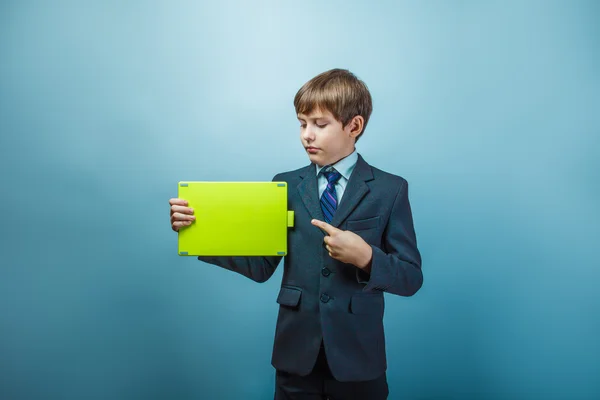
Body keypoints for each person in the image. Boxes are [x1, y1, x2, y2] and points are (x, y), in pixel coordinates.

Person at [169, 68, 422, 399]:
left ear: (354, 126)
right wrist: (198, 232)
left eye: (320, 124)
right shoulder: (285, 185)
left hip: (358, 359)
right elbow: (261, 265)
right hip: (295, 357)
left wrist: (367, 258)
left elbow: (410, 277)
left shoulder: (389, 189)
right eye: (302, 123)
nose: (307, 135)